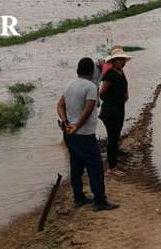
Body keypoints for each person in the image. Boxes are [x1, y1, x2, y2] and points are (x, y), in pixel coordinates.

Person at [57, 57, 119, 211]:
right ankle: (100, 200)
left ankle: (78, 197)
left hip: (70, 133)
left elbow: (59, 105)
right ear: (92, 72)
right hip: (84, 134)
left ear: (78, 70)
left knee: (76, 166)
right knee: (96, 167)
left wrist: (66, 122)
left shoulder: (69, 85)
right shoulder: (91, 87)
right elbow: (89, 108)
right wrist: (77, 125)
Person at [98, 47, 132, 177]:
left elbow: (124, 86)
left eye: (123, 59)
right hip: (111, 111)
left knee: (115, 136)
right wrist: (112, 102)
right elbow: (102, 93)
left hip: (118, 108)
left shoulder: (120, 72)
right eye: (120, 60)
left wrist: (124, 96)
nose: (122, 62)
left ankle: (114, 162)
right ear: (113, 61)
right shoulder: (110, 74)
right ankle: (111, 168)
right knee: (112, 138)